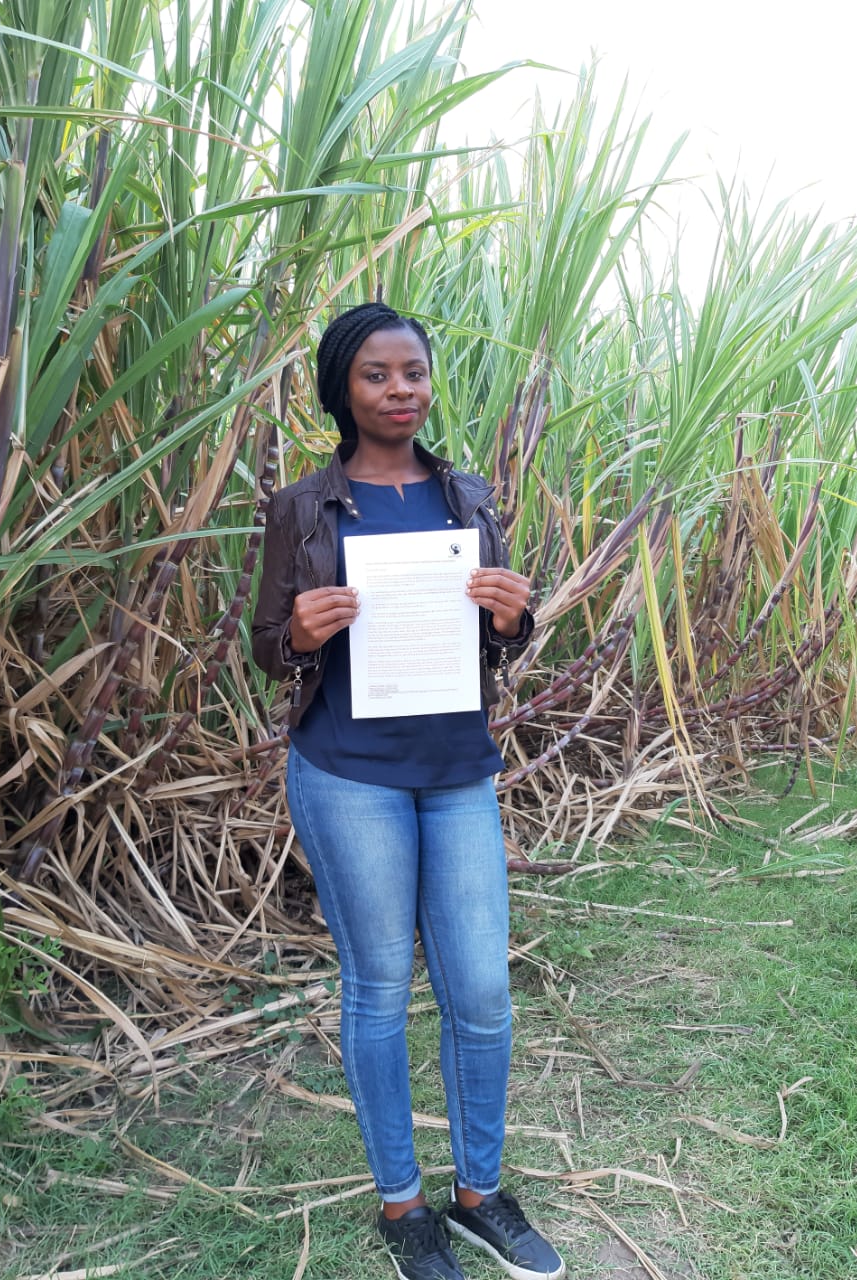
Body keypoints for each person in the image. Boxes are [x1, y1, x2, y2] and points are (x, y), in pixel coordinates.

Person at [252, 302, 566, 1280]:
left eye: (414, 373)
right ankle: (403, 1207)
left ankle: (479, 1194)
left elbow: (490, 647)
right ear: (341, 389)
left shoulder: (467, 498)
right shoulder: (302, 507)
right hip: (348, 770)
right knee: (380, 987)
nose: (400, 390)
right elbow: (265, 647)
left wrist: (514, 619)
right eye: (376, 375)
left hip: (455, 769)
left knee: (479, 987)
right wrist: (300, 632)